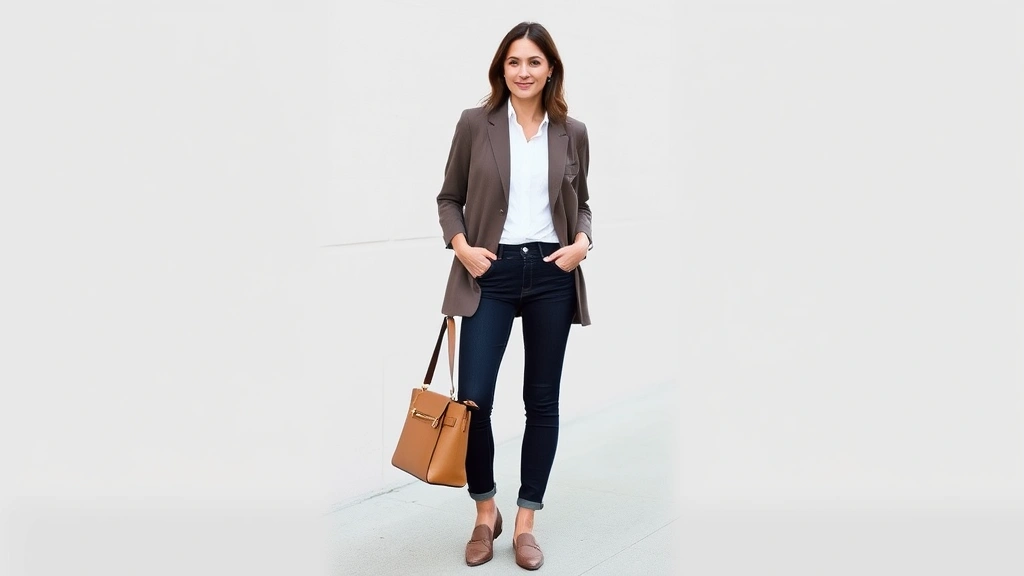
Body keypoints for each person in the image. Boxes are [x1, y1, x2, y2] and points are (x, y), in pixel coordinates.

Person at [435, 21, 593, 570]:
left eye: (534, 62)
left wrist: (582, 243)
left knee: (541, 401)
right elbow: (449, 197)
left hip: (551, 272)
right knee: (473, 400)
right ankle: (486, 512)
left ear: (550, 69)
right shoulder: (474, 123)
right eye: (514, 62)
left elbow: (583, 202)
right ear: (501, 70)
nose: (523, 72)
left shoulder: (572, 132)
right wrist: (462, 247)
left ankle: (526, 521)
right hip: (491, 272)